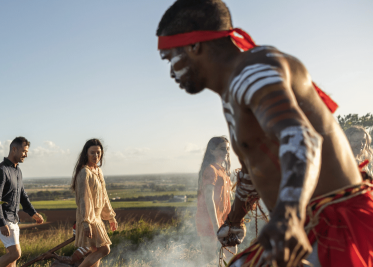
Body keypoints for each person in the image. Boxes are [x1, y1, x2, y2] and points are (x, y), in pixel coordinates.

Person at [156, 1, 373, 266]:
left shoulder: (253, 70)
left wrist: (287, 217)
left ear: (194, 45)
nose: (170, 72)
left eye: (170, 58)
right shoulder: (235, 91)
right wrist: (234, 221)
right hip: (307, 222)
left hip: (335, 221)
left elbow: (300, 138)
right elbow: (253, 171)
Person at [0, 136, 44, 267]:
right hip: (2, 218)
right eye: (24, 151)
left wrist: (33, 213)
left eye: (27, 152)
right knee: (15, 253)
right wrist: (2, 223)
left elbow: (22, 195)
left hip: (13, 218)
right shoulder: (1, 171)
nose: (26, 155)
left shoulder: (17, 171)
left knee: (12, 260)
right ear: (14, 149)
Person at [71, 138, 117, 267]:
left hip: (97, 218)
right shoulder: (84, 172)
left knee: (95, 251)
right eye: (92, 152)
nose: (96, 156)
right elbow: (83, 199)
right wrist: (86, 222)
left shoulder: (98, 171)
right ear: (86, 153)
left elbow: (104, 197)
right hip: (88, 218)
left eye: (98, 152)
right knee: (105, 249)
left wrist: (111, 217)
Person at [195, 136, 234, 262]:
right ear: (212, 151)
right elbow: (208, 198)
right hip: (209, 222)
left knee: (231, 252)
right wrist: (216, 225)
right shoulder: (211, 170)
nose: (226, 152)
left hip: (223, 222)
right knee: (209, 258)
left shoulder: (222, 170)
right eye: (222, 149)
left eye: (227, 149)